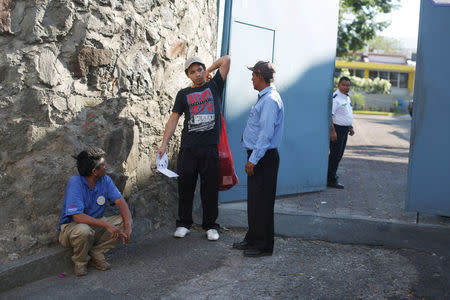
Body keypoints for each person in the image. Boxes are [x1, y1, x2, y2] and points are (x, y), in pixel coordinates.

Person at [157, 55, 230, 241]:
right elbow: (174, 118)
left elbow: (226, 59)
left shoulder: (214, 86)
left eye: (200, 70)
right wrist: (164, 143)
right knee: (186, 187)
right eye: (193, 72)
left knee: (210, 189)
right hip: (189, 148)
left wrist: (209, 70)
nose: (197, 74)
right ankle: (184, 223)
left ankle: (211, 226)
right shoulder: (183, 94)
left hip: (210, 148)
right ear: (188, 75)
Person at [232, 61, 284, 257]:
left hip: (263, 158)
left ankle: (263, 246)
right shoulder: (264, 98)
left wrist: (253, 159)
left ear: (260, 75)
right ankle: (252, 238)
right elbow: (258, 128)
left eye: (253, 75)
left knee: (263, 203)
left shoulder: (270, 100)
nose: (251, 78)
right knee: (254, 202)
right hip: (259, 155)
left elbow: (266, 134)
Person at [57, 147, 132, 276]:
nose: (106, 166)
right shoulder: (75, 183)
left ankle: (96, 252)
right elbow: (77, 217)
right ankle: (80, 262)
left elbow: (120, 202)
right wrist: (106, 225)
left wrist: (128, 226)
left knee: (122, 221)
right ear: (94, 171)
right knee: (83, 230)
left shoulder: (105, 180)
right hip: (73, 227)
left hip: (95, 224)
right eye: (103, 164)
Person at [327, 76, 355, 189]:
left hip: (344, 130)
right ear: (338, 85)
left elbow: (346, 113)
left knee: (339, 155)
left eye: (348, 85)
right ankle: (331, 179)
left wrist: (350, 127)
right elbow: (331, 116)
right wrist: (332, 132)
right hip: (337, 130)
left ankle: (331, 176)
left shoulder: (347, 98)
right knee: (335, 155)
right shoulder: (336, 97)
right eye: (343, 85)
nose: (346, 87)